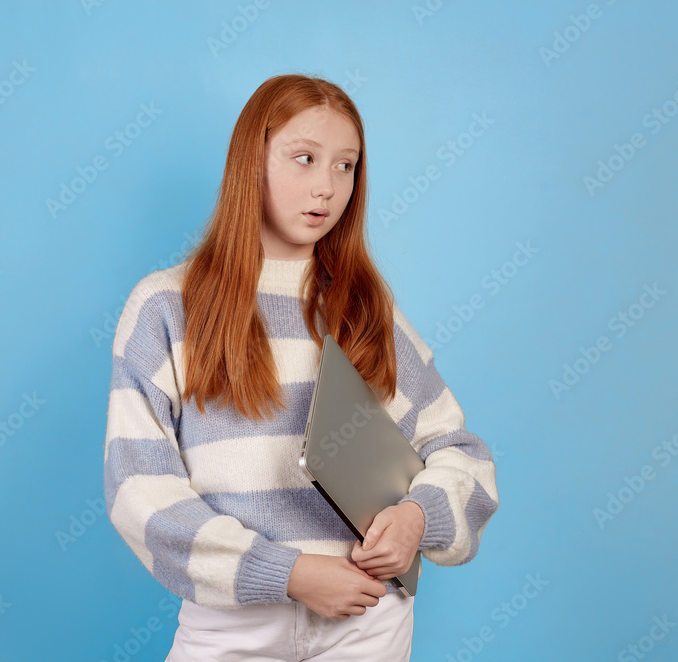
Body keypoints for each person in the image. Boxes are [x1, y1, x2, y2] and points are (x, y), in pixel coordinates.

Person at [103, 73, 499, 661]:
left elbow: (461, 453)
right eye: (304, 159)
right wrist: (286, 572)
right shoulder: (167, 306)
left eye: (346, 166)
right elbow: (140, 491)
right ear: (250, 162)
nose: (326, 187)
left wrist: (417, 518)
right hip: (232, 624)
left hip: (367, 622)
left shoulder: (368, 307)